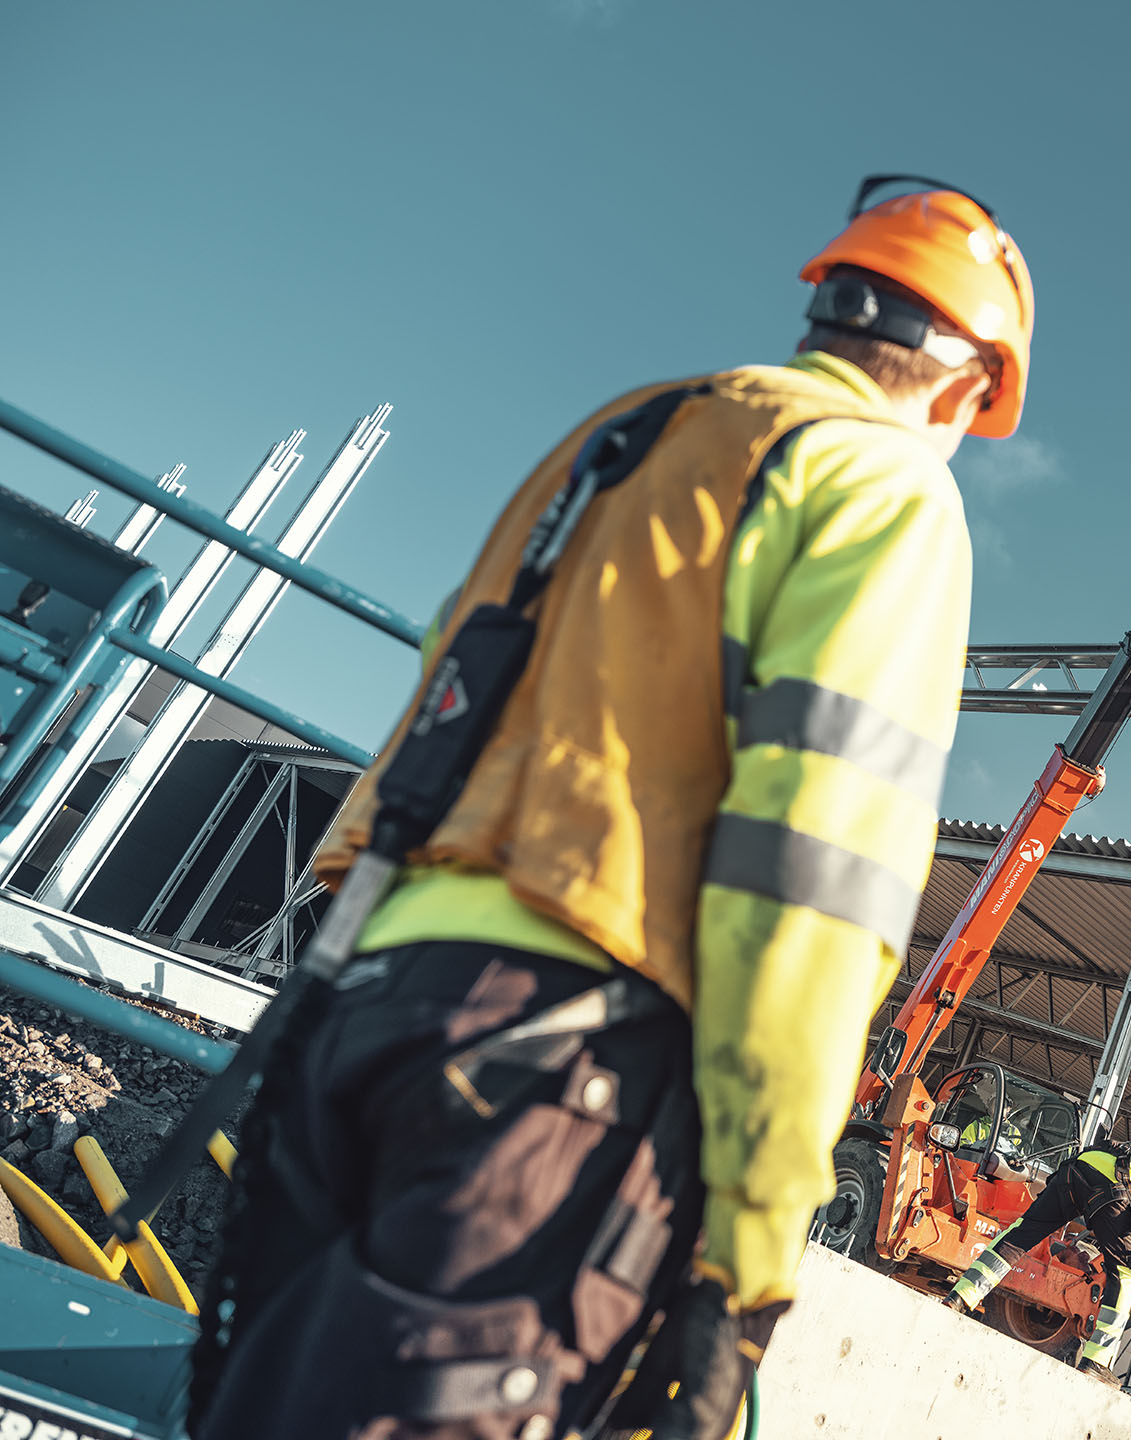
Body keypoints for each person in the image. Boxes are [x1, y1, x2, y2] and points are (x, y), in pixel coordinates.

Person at [189, 174, 1035, 1440]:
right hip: (559, 1064)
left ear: (832, 306)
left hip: (362, 1004)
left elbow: (447, 695)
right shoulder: (884, 491)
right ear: (969, 385)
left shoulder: (630, 432)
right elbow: (810, 888)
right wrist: (750, 1262)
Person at [942, 1141, 1131, 1385]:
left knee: (1021, 1235)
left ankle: (960, 1297)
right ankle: (1096, 1362)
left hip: (1077, 1170)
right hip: (1113, 1190)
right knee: (1125, 1278)